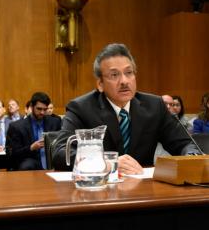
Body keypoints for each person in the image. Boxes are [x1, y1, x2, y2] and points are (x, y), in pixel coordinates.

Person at [51, 43, 199, 174]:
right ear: (100, 84)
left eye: (129, 73)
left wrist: (193, 158)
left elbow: (184, 144)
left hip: (143, 190)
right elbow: (60, 153)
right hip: (99, 191)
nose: (124, 81)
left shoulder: (155, 106)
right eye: (114, 75)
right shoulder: (81, 108)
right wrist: (108, 164)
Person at [6, 92, 61, 170]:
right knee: (27, 165)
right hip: (31, 165)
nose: (42, 112)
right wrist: (31, 148)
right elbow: (12, 154)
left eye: (45, 109)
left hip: (53, 162)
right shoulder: (17, 127)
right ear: (32, 106)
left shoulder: (55, 122)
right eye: (39, 109)